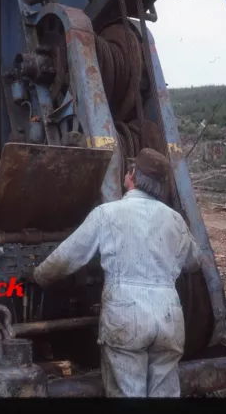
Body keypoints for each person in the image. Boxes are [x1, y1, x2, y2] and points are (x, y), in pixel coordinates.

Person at [33, 148, 202, 398]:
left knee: (127, 393)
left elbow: (67, 257)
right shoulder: (175, 220)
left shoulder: (107, 214)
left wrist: (39, 276)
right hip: (169, 316)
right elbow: (194, 261)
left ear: (132, 175)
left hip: (126, 314)